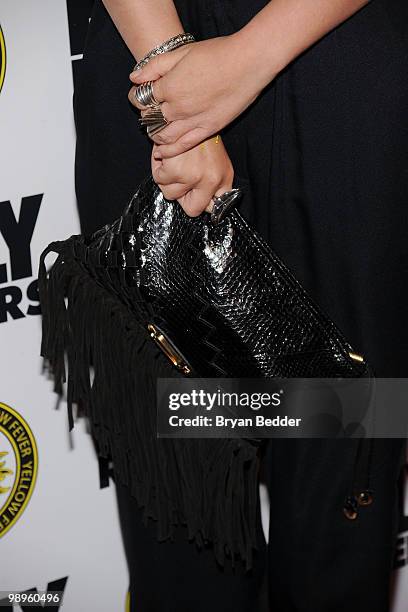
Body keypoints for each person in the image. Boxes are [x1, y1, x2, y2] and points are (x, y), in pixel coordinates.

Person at [73, 1, 408, 610]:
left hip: (341, 75)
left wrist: (249, 57)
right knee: (187, 515)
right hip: (148, 61)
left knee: (339, 507)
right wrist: (170, 89)